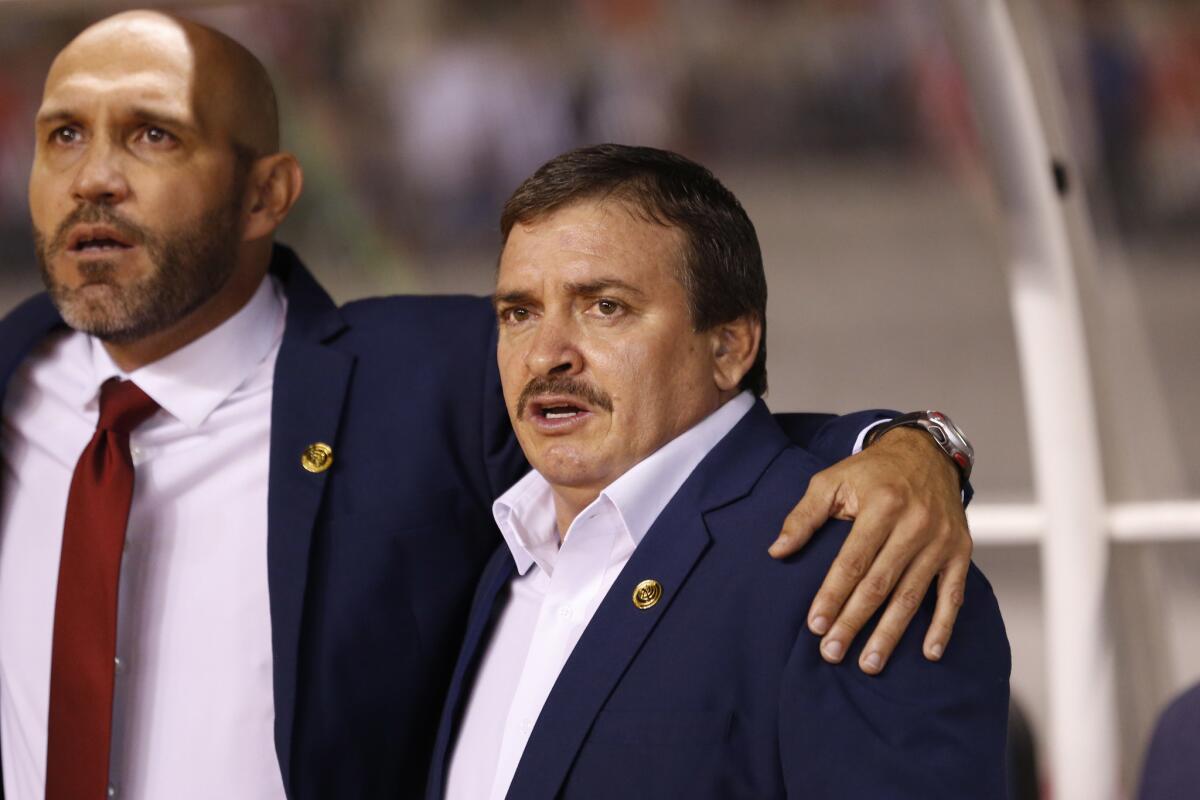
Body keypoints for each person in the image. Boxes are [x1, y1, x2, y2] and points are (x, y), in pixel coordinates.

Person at [0, 11, 973, 800]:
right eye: (63, 136)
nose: (95, 177)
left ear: (268, 193)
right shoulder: (11, 384)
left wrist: (913, 444)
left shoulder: (427, 373)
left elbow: (680, 421)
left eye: (152, 135)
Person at [427, 144, 1010, 799]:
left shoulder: (867, 566)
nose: (545, 356)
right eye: (519, 313)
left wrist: (927, 445)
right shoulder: (508, 552)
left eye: (604, 307)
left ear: (730, 347)